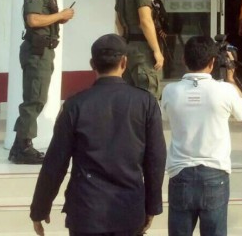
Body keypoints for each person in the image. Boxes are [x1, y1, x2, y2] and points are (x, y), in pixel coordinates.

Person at [29, 34, 166, 236]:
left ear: (92, 64)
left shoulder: (75, 105)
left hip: (86, 212)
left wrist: (40, 208)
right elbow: (155, 159)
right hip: (128, 210)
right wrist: (152, 206)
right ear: (124, 62)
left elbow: (55, 161)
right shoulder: (146, 103)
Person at [161, 36, 242, 236]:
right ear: (212, 62)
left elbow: (164, 116)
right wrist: (231, 78)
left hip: (180, 174)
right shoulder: (225, 90)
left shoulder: (170, 91)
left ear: (184, 60)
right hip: (215, 174)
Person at [10, 0, 75, 165]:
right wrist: (60, 15)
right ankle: (23, 147)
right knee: (35, 99)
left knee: (36, 97)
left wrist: (59, 18)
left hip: (44, 50)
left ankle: (19, 145)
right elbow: (33, 20)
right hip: (37, 51)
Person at [115, 0, 164, 97]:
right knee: (148, 94)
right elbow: (145, 21)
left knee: (130, 95)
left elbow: (118, 21)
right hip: (142, 49)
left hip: (127, 45)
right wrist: (156, 50)